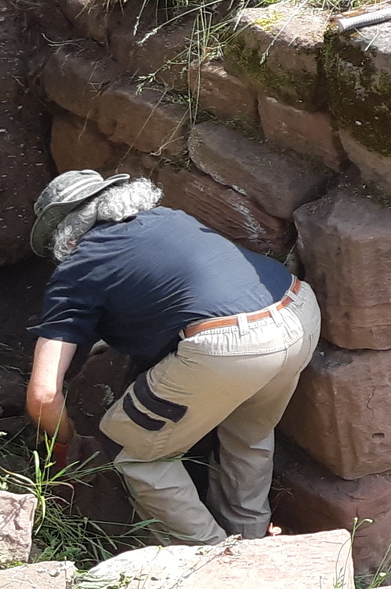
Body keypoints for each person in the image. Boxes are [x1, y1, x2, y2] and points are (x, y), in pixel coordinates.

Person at [24, 170, 319, 545]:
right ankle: (250, 541)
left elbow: (43, 396)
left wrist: (62, 449)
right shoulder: (169, 218)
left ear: (63, 237)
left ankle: (210, 559)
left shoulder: (78, 267)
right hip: (299, 310)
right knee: (248, 435)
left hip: (231, 346)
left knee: (131, 449)